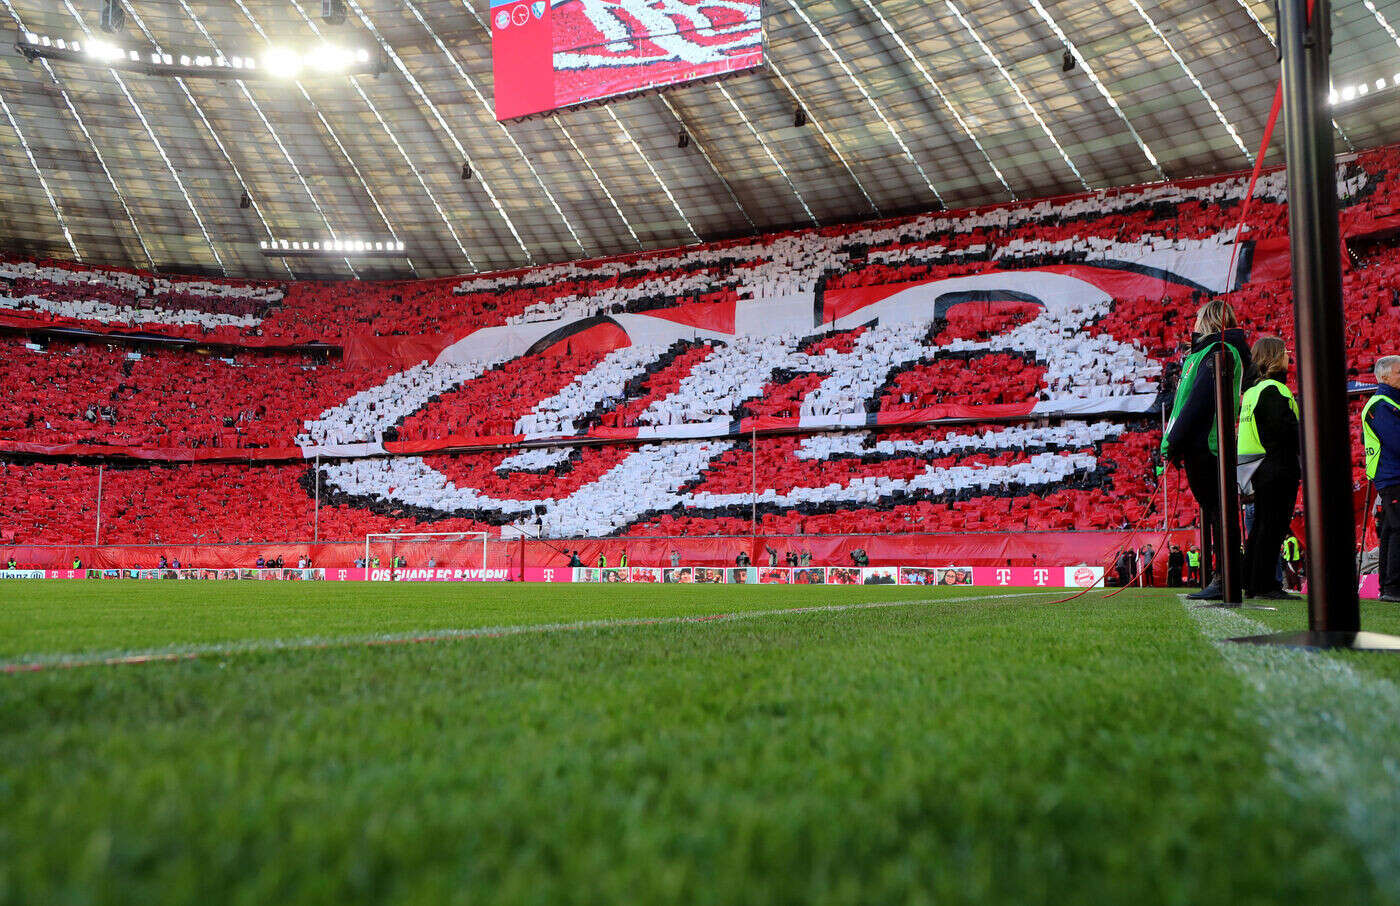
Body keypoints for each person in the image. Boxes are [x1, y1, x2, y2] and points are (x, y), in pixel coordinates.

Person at [1162, 300, 1251, 600]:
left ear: (1209, 322)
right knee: (1216, 511)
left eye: (1199, 319)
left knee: (1218, 512)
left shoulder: (1217, 352)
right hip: (1204, 442)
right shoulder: (1211, 353)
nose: (1194, 324)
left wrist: (1174, 441)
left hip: (1207, 443)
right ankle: (1223, 576)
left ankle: (1225, 577)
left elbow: (1197, 402)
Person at [1237, 336, 1301, 600]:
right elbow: (1286, 432)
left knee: (1263, 526)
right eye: (1285, 352)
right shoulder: (1275, 390)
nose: (1288, 356)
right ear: (1275, 357)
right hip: (1277, 467)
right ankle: (1265, 585)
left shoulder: (1252, 392)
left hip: (1257, 468)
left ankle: (1252, 581)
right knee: (1272, 527)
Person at [1363, 355, 1400, 601]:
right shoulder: (1382, 404)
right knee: (1398, 530)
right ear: (1385, 376)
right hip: (1393, 475)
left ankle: (1388, 587)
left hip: (1389, 475)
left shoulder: (1385, 403)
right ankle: (1393, 587)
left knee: (1390, 530)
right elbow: (1397, 441)